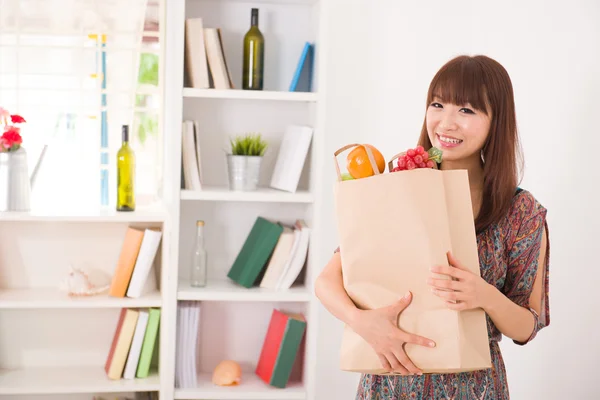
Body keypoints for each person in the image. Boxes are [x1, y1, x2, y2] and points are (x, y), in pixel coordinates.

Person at [315, 54, 550, 400]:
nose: (446, 123)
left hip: (474, 388)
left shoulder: (521, 211)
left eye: (467, 110)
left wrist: (482, 294)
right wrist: (361, 321)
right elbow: (326, 282)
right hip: (388, 382)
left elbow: (528, 325)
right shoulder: (397, 188)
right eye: (438, 104)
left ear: (496, 121)